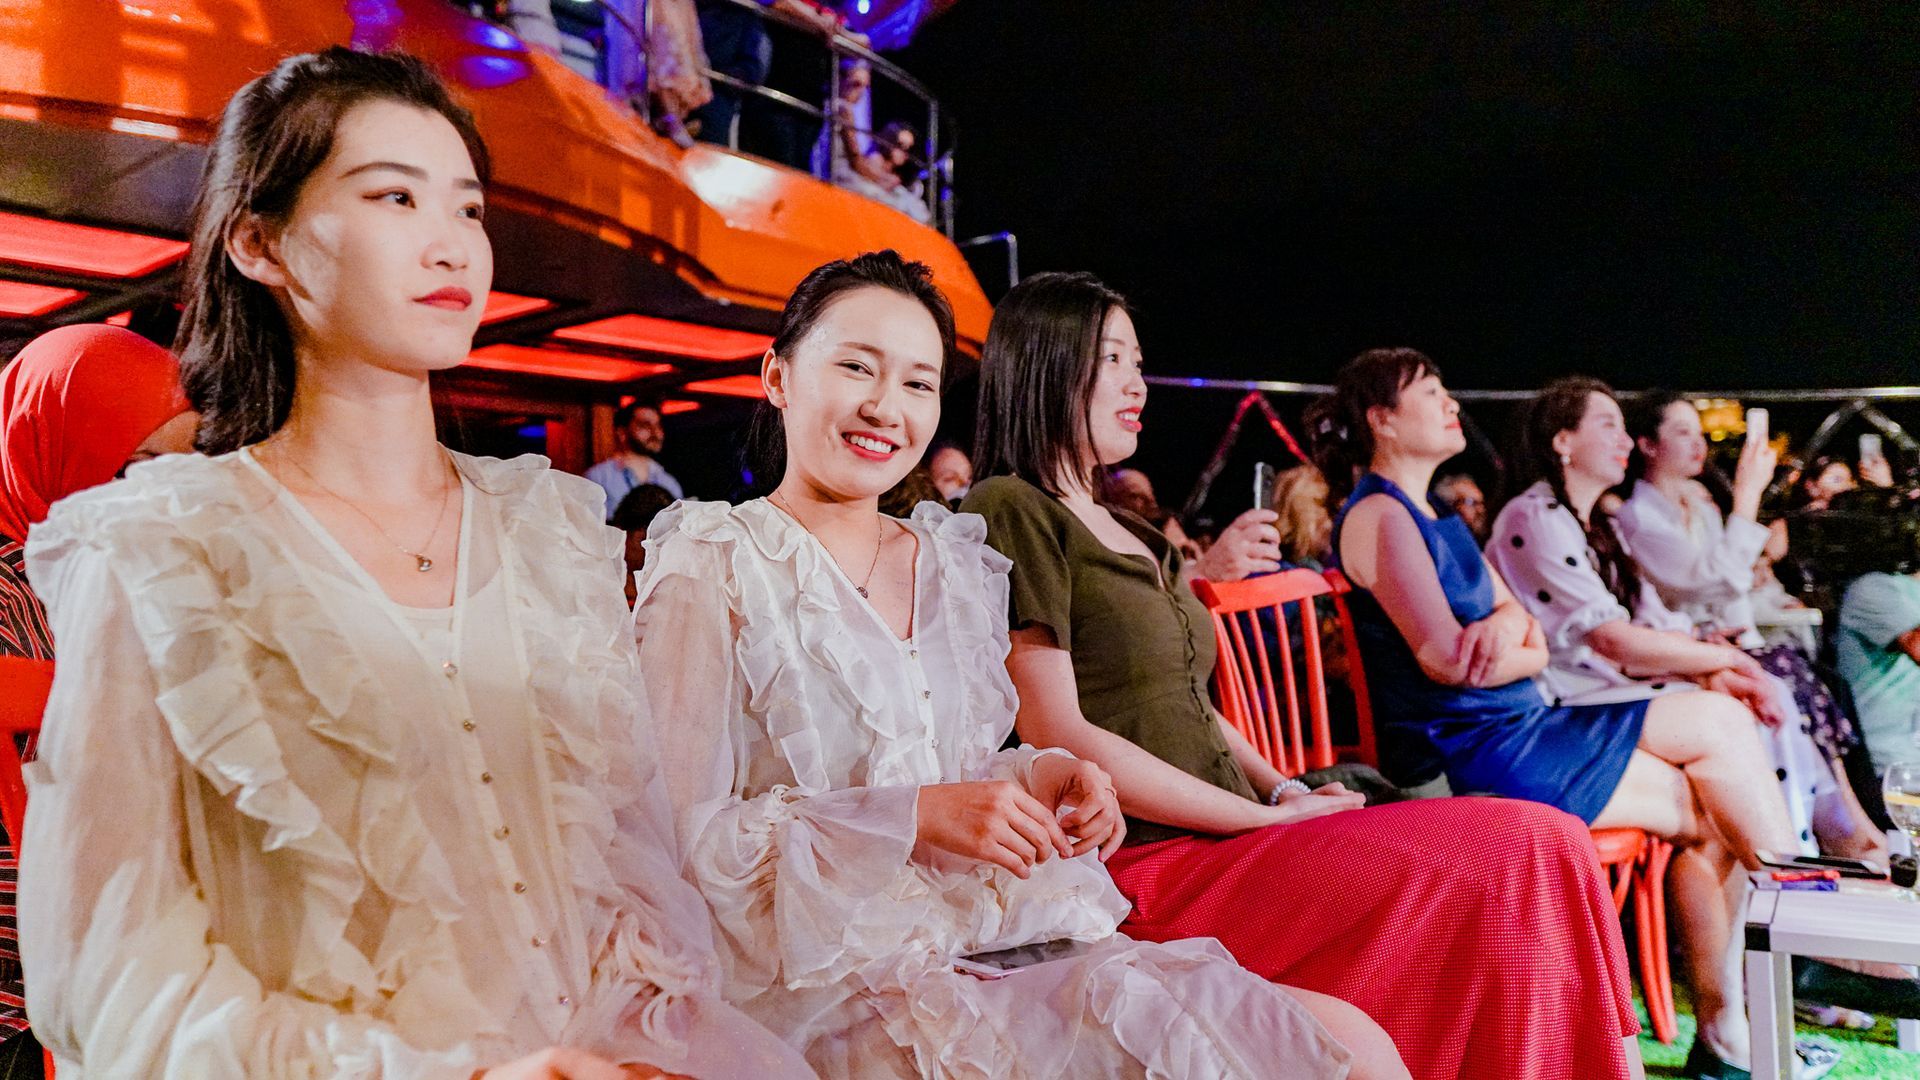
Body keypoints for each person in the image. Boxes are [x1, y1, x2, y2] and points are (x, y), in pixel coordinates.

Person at [20, 48, 809, 1079]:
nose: (451, 244)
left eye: (468, 208)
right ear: (260, 241)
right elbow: (113, 973)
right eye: (395, 196)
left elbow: (626, 867)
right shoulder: (167, 553)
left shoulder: (548, 537)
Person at [633, 252, 1389, 1079]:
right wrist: (909, 816)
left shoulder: (951, 563)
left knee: (1351, 1042)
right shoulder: (714, 561)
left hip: (997, 933)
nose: (885, 406)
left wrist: (1051, 777)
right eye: (856, 367)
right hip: (833, 977)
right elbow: (677, 841)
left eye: (918, 383)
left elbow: (964, 767)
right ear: (778, 376)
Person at [963, 279, 1646, 1080]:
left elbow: (1193, 703)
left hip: (1234, 835)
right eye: (1111, 359)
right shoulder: (1011, 506)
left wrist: (1284, 791)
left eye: (1138, 362)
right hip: (1149, 864)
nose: (1137, 384)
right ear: (1046, 365)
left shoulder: (1139, 532)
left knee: (1549, 841)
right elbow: (1058, 730)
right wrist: (1259, 820)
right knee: (1526, 843)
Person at [1311, 353, 1810, 1078]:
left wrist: (1509, 639)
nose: (1452, 404)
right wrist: (1514, 644)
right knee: (1718, 747)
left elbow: (1527, 634)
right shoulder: (1382, 516)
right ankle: (1784, 957)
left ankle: (1736, 1018)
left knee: (1718, 774)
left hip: (1521, 725)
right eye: (1432, 392)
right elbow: (1448, 662)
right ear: (1381, 419)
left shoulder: (1434, 513)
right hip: (1473, 749)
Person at [0, 323, 197, 1079]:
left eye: (181, 467)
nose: (155, 497)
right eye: (136, 466)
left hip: (89, 975)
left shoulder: (111, 573)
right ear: (54, 442)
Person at [1617, 390, 1881, 858]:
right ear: (1647, 445)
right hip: (1676, 651)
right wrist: (1747, 496)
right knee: (1783, 675)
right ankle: (1826, 829)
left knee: (1815, 677)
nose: (1697, 444)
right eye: (1682, 432)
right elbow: (1707, 583)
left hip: (1715, 641)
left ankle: (1848, 817)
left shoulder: (1699, 509)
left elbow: (1732, 589)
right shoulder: (1637, 517)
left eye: (1699, 433)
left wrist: (1743, 635)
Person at [586, 399, 682, 518]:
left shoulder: (668, 482)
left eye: (658, 426)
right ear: (622, 432)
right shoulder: (599, 478)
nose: (655, 433)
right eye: (645, 425)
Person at [610, 482, 677, 605]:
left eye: (661, 544)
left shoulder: (671, 582)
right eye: (644, 541)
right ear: (621, 531)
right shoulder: (597, 574)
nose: (652, 553)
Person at [1430, 472, 1487, 541]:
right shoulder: (1437, 540)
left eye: (1481, 503)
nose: (1481, 509)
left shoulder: (1475, 542)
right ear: (1450, 504)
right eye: (1471, 502)